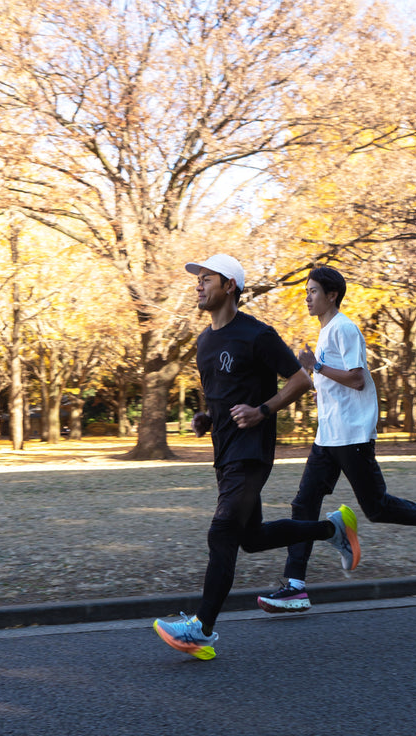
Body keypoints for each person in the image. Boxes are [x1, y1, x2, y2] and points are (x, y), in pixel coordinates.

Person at [153, 254, 361, 660]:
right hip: (225, 451)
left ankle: (202, 630)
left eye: (206, 278)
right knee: (251, 538)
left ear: (229, 286)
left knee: (222, 532)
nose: (198, 285)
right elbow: (225, 395)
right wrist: (208, 417)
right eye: (198, 280)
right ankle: (331, 530)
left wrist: (262, 411)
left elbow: (302, 379)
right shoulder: (204, 341)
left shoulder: (257, 335)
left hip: (252, 452)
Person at [257, 265, 416, 614]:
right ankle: (295, 586)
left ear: (331, 295)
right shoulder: (325, 333)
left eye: (312, 291)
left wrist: (316, 367)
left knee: (376, 508)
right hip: (328, 437)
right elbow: (338, 388)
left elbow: (356, 379)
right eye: (306, 291)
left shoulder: (344, 329)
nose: (307, 297)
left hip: (352, 437)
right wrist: (319, 388)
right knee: (302, 504)